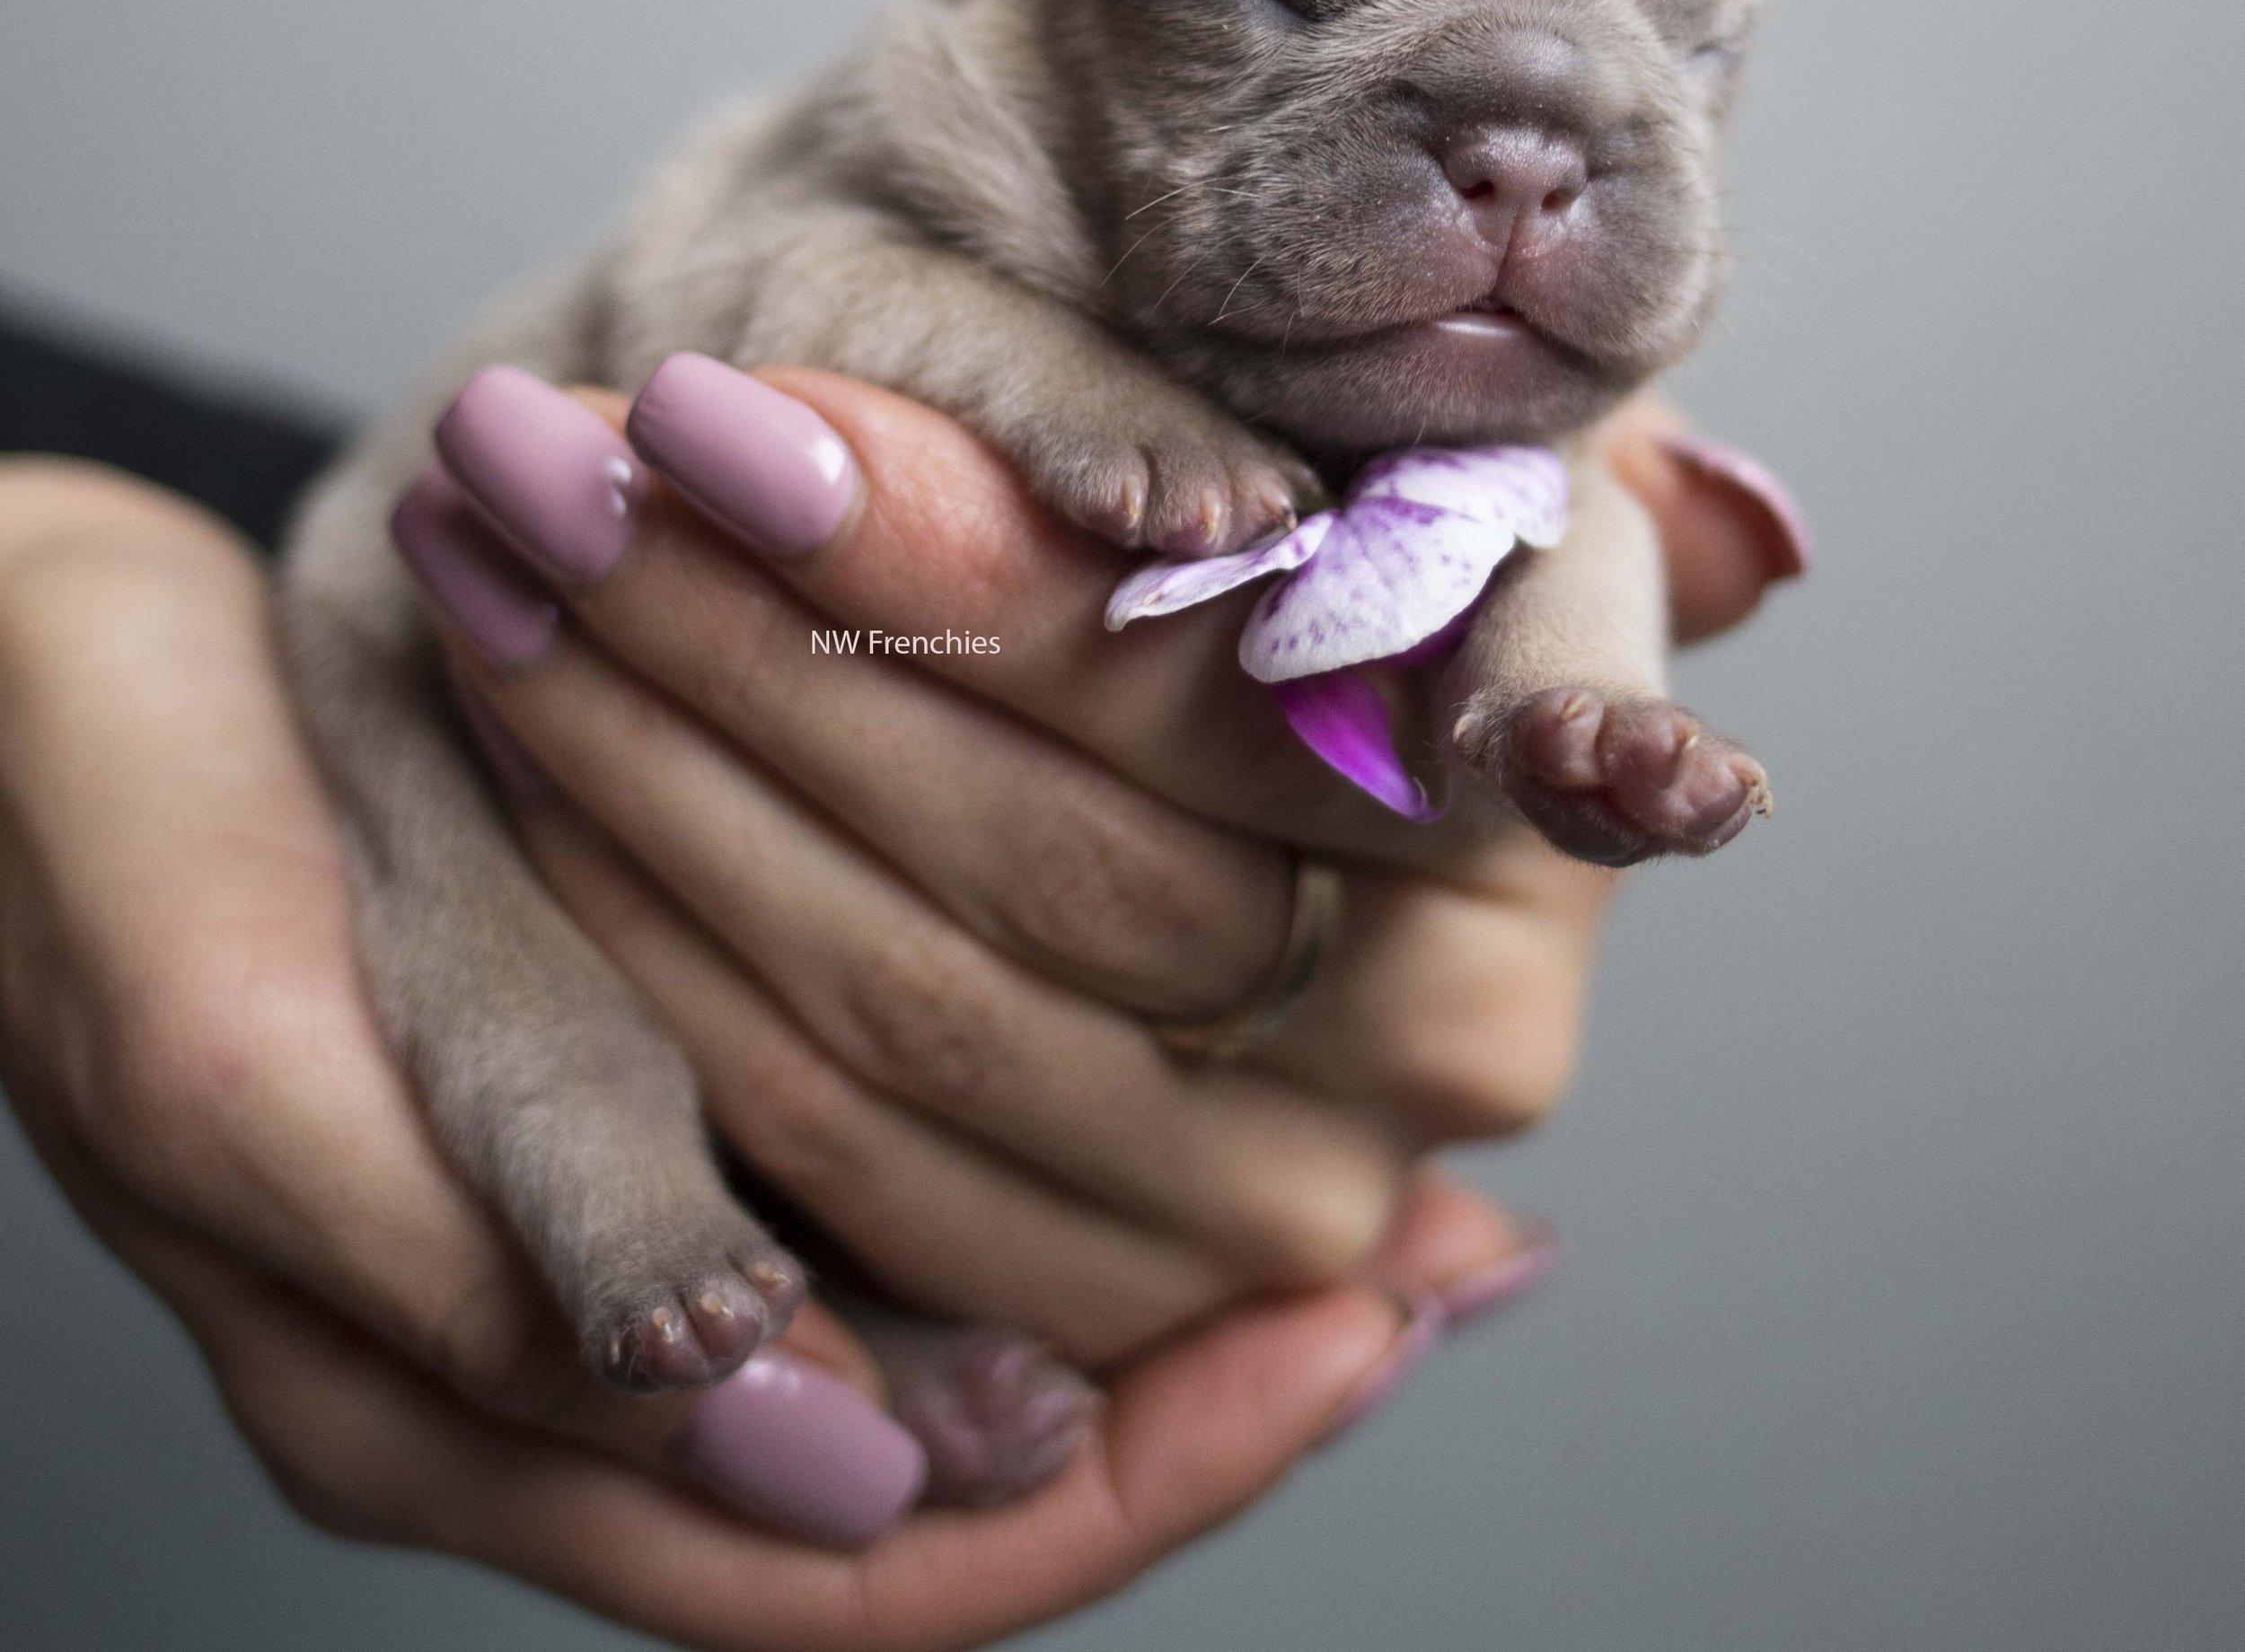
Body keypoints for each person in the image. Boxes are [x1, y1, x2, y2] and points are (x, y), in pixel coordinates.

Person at [0, 303, 1805, 1650]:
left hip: (444, 597)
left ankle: (901, 1312)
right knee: (562, 1018)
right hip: (482, 688)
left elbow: (1572, 541)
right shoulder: (925, 166)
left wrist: (1555, 686)